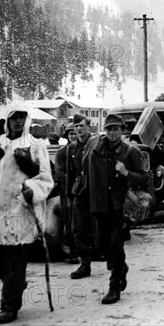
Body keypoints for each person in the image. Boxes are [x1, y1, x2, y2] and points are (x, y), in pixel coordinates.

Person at [0, 104, 54, 324]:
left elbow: (45, 178)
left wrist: (30, 190)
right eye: (14, 117)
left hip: (20, 210)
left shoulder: (35, 145)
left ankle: (10, 306)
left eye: (22, 117)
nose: (17, 121)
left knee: (16, 258)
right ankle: (14, 282)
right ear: (7, 119)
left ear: (27, 119)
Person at [84, 113, 147, 304]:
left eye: (116, 129)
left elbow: (145, 178)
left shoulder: (130, 152)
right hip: (100, 205)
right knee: (102, 247)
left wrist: (126, 172)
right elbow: (87, 172)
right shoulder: (95, 149)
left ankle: (114, 287)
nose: (112, 132)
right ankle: (122, 268)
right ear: (105, 131)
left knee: (116, 247)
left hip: (120, 207)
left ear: (122, 131)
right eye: (109, 129)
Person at [67, 114, 98, 279]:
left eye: (82, 126)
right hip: (80, 190)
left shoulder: (98, 143)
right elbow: (70, 173)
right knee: (78, 228)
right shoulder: (72, 148)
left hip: (97, 190)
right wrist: (69, 196)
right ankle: (85, 264)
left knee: (100, 228)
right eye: (76, 126)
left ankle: (113, 262)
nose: (79, 129)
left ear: (89, 127)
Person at [54, 123, 79, 264]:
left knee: (86, 221)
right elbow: (60, 173)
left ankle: (89, 251)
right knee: (70, 222)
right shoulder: (62, 153)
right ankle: (74, 252)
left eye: (75, 133)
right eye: (71, 134)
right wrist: (74, 185)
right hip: (68, 191)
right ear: (67, 136)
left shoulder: (85, 150)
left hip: (83, 190)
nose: (74, 136)